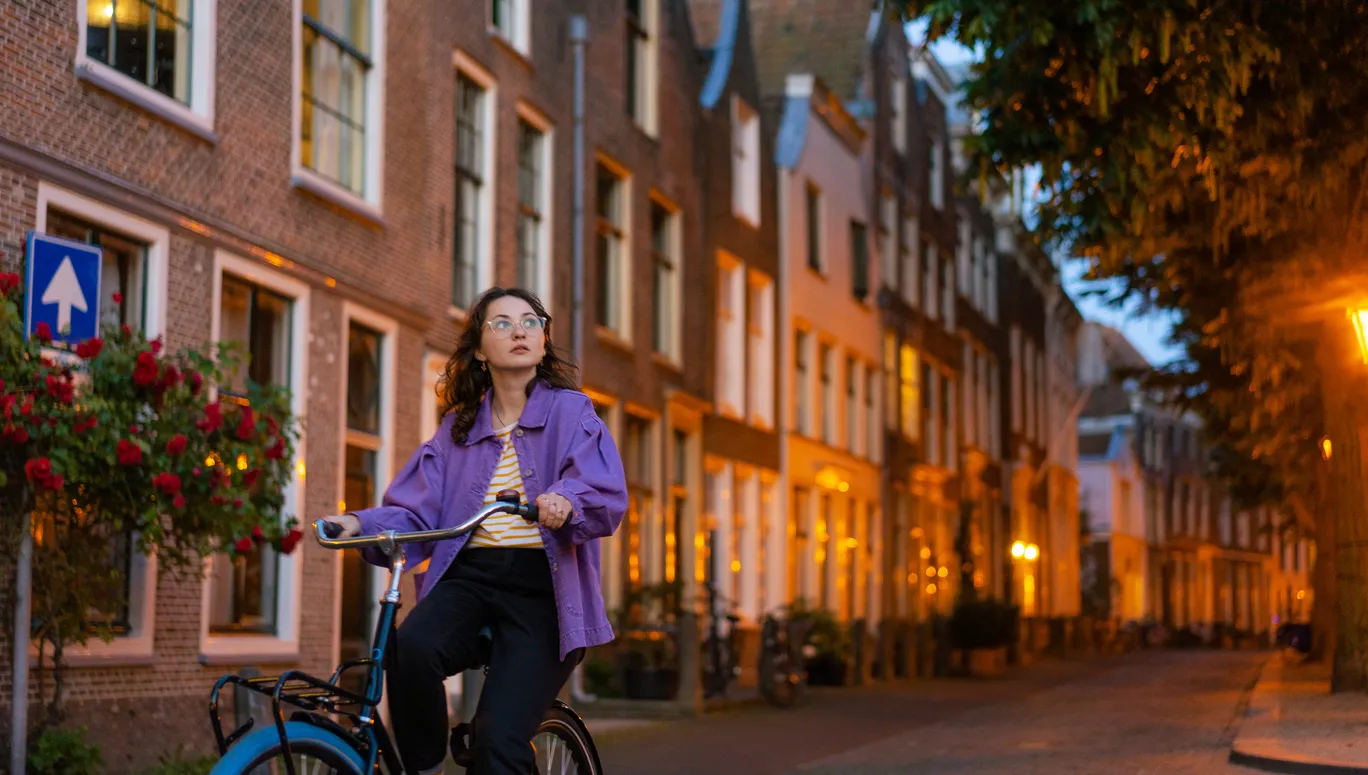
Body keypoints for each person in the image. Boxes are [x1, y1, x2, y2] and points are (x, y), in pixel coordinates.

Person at [321, 287, 627, 775]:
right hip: (469, 579)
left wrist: (565, 501)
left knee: (498, 743)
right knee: (409, 649)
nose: (520, 330)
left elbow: (601, 489)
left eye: (530, 321)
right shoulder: (456, 431)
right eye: (502, 323)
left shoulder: (572, 413)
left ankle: (491, 745)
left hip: (542, 591)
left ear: (543, 341)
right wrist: (359, 522)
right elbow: (418, 515)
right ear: (481, 351)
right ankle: (423, 766)